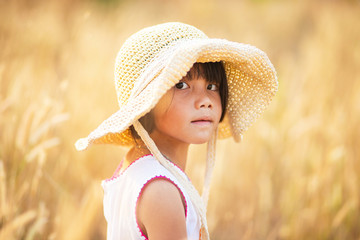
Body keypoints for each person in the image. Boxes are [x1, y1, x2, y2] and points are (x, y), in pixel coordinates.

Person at [75, 22, 278, 240]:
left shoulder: (136, 167)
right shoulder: (161, 190)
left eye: (212, 86)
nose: (205, 101)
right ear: (147, 104)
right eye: (181, 85)